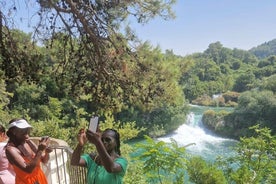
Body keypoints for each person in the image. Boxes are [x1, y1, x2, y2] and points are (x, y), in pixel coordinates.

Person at [5, 118, 52, 184]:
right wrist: (40, 150)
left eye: (27, 129)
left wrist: (47, 152)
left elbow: (44, 160)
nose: (26, 131)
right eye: (23, 129)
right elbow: (28, 169)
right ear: (14, 132)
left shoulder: (29, 142)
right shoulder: (11, 149)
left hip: (39, 179)